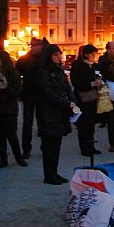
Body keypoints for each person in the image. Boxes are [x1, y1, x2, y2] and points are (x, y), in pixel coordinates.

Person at [36, 44, 76, 185]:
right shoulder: (43, 72)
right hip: (48, 113)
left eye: (59, 54)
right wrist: (66, 103)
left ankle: (54, 172)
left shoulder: (59, 71)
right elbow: (48, 93)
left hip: (60, 113)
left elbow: (67, 87)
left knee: (56, 145)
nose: (59, 57)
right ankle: (49, 174)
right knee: (49, 146)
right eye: (55, 55)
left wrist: (72, 100)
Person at [0, 50, 27, 168]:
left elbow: (17, 92)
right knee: (0, 135)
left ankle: (18, 157)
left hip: (9, 108)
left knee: (11, 134)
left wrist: (6, 87)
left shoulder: (12, 73)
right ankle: (3, 159)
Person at [70, 44, 103, 157]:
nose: (94, 56)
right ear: (86, 54)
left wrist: (99, 82)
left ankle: (91, 145)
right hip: (82, 98)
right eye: (92, 54)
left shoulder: (94, 66)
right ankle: (84, 147)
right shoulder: (77, 65)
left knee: (91, 124)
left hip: (93, 98)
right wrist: (92, 83)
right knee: (83, 124)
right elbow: (76, 82)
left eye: (95, 54)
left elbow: (99, 76)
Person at [15, 38, 44, 159]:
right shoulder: (25, 59)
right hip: (29, 94)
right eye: (32, 45)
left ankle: (44, 147)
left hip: (42, 94)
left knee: (43, 122)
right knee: (27, 123)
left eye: (36, 45)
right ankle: (26, 148)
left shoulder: (44, 58)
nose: (33, 47)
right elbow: (17, 72)